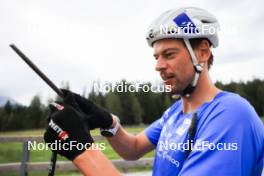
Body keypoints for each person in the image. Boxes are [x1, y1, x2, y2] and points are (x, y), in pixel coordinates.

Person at [44, 7, 264, 176]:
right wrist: (108, 123)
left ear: (203, 53)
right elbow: (134, 148)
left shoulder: (231, 115)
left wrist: (83, 151)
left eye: (169, 54)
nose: (158, 66)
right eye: (156, 57)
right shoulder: (176, 113)